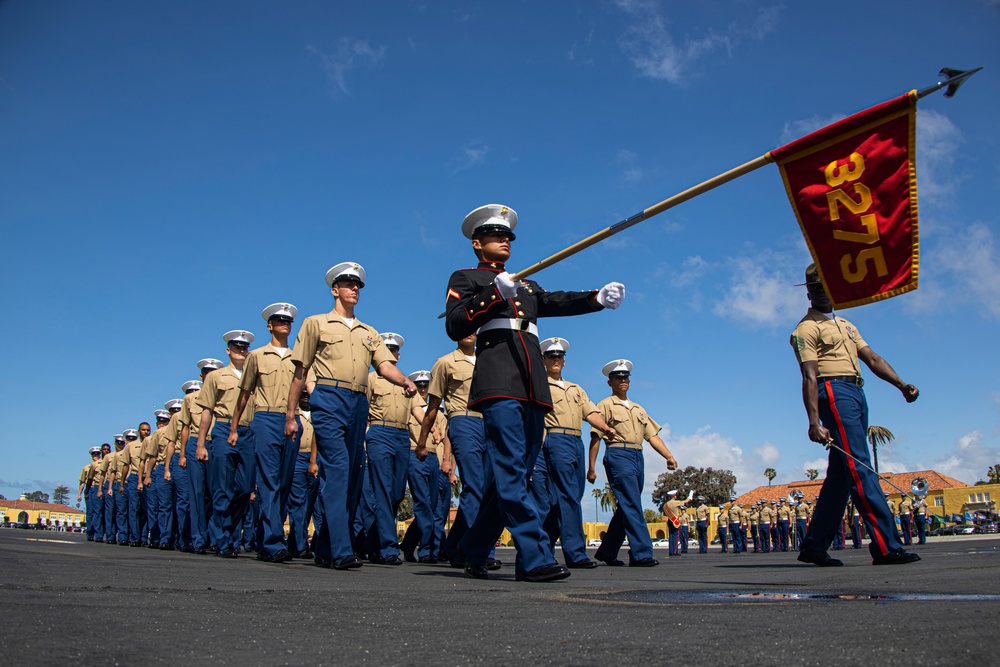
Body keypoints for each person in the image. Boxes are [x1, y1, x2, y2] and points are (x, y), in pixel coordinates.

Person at [443, 204, 624, 582]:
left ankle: (472, 549)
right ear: (478, 244)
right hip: (499, 382)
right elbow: (456, 322)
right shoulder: (466, 277)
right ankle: (534, 556)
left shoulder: (526, 283)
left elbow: (556, 300)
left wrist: (595, 299)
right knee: (511, 471)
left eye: (508, 236)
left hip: (532, 387)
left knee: (512, 475)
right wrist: (493, 294)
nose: (505, 240)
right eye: (496, 235)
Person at [285, 262, 416, 571]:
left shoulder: (369, 332)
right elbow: (300, 372)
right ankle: (341, 550)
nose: (354, 288)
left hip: (358, 401)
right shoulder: (315, 323)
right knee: (339, 468)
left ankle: (326, 545)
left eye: (357, 285)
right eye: (348, 284)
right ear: (335, 290)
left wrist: (405, 381)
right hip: (329, 397)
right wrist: (291, 415)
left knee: (354, 475)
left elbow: (384, 366)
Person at [792, 263, 920, 567]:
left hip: (857, 391)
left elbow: (872, 358)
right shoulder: (806, 329)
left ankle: (814, 546)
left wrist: (901, 384)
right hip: (833, 391)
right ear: (809, 293)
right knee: (861, 465)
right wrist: (813, 422)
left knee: (841, 475)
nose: (826, 294)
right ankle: (887, 546)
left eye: (830, 286)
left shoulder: (847, 325)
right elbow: (809, 377)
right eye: (820, 288)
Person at [415, 333, 499, 570]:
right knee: (474, 485)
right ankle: (480, 551)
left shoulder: (489, 360)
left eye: (473, 326)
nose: (469, 331)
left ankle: (454, 546)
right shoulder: (445, 363)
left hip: (490, 423)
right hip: (463, 420)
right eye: (463, 326)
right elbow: (433, 406)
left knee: (490, 488)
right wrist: (422, 442)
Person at [529, 337, 615, 569]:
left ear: (565, 362)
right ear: (543, 360)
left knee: (570, 497)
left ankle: (543, 548)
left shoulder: (576, 389)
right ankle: (576, 553)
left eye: (559, 357)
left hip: (576, 441)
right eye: (551, 356)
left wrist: (605, 427)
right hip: (556, 439)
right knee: (567, 496)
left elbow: (590, 413)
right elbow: (535, 421)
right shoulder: (540, 385)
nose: (556, 360)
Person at [588, 359, 678, 568]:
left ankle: (607, 551)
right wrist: (591, 468)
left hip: (637, 455)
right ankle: (641, 553)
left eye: (626, 377)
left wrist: (668, 456)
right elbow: (596, 437)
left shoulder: (638, 409)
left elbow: (652, 436)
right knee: (632, 504)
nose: (623, 381)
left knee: (628, 505)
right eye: (618, 378)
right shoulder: (604, 405)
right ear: (609, 382)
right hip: (618, 454)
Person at [231, 303, 300, 564]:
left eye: (288, 320)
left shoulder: (299, 357)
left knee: (283, 482)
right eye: (279, 320)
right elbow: (244, 393)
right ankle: (273, 542)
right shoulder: (257, 356)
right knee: (269, 480)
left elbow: (312, 387)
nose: (285, 323)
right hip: (266, 417)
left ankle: (263, 538)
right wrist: (235, 427)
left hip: (291, 420)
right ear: (269, 325)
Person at [195, 329, 257, 558]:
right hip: (222, 430)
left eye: (245, 347)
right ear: (228, 350)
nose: (242, 350)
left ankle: (229, 532)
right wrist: (202, 444)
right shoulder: (216, 377)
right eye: (237, 347)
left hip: (248, 433)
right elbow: (206, 413)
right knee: (222, 488)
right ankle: (222, 541)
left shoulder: (255, 376)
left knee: (244, 487)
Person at [361, 332, 421, 565]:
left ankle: (372, 543)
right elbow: (361, 409)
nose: (392, 354)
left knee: (396, 493)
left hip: (401, 436)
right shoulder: (371, 379)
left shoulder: (405, 380)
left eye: (394, 350)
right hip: (379, 433)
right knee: (383, 492)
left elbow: (418, 410)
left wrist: (431, 431)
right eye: (387, 350)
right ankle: (387, 548)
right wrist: (366, 435)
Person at [400, 370, 446, 563]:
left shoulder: (438, 414)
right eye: (418, 386)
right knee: (423, 504)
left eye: (426, 386)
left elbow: (445, 441)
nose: (423, 389)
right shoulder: (408, 409)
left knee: (433, 506)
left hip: (434, 458)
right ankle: (426, 550)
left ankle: (410, 544)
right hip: (415, 455)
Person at [179, 359, 224, 554]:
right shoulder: (192, 399)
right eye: (206, 372)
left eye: (213, 372)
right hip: (197, 441)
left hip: (217, 442)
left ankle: (213, 538)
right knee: (197, 493)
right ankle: (197, 539)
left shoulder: (223, 395)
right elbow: (185, 427)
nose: (209, 376)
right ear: (201, 376)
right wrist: (182, 454)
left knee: (215, 492)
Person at [286, 374, 319, 560]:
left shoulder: (318, 411)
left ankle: (293, 541)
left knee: (309, 504)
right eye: (303, 392)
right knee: (297, 502)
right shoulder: (292, 413)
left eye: (308, 392)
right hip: (298, 458)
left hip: (314, 460)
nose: (306, 395)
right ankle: (300, 546)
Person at [81, 447, 101, 541]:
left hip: (98, 488)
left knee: (98, 512)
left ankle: (98, 533)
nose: (95, 456)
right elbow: (82, 482)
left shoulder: (102, 464)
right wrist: (79, 494)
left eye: (97, 454)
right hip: (90, 489)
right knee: (90, 512)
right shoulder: (86, 468)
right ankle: (90, 532)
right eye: (94, 454)